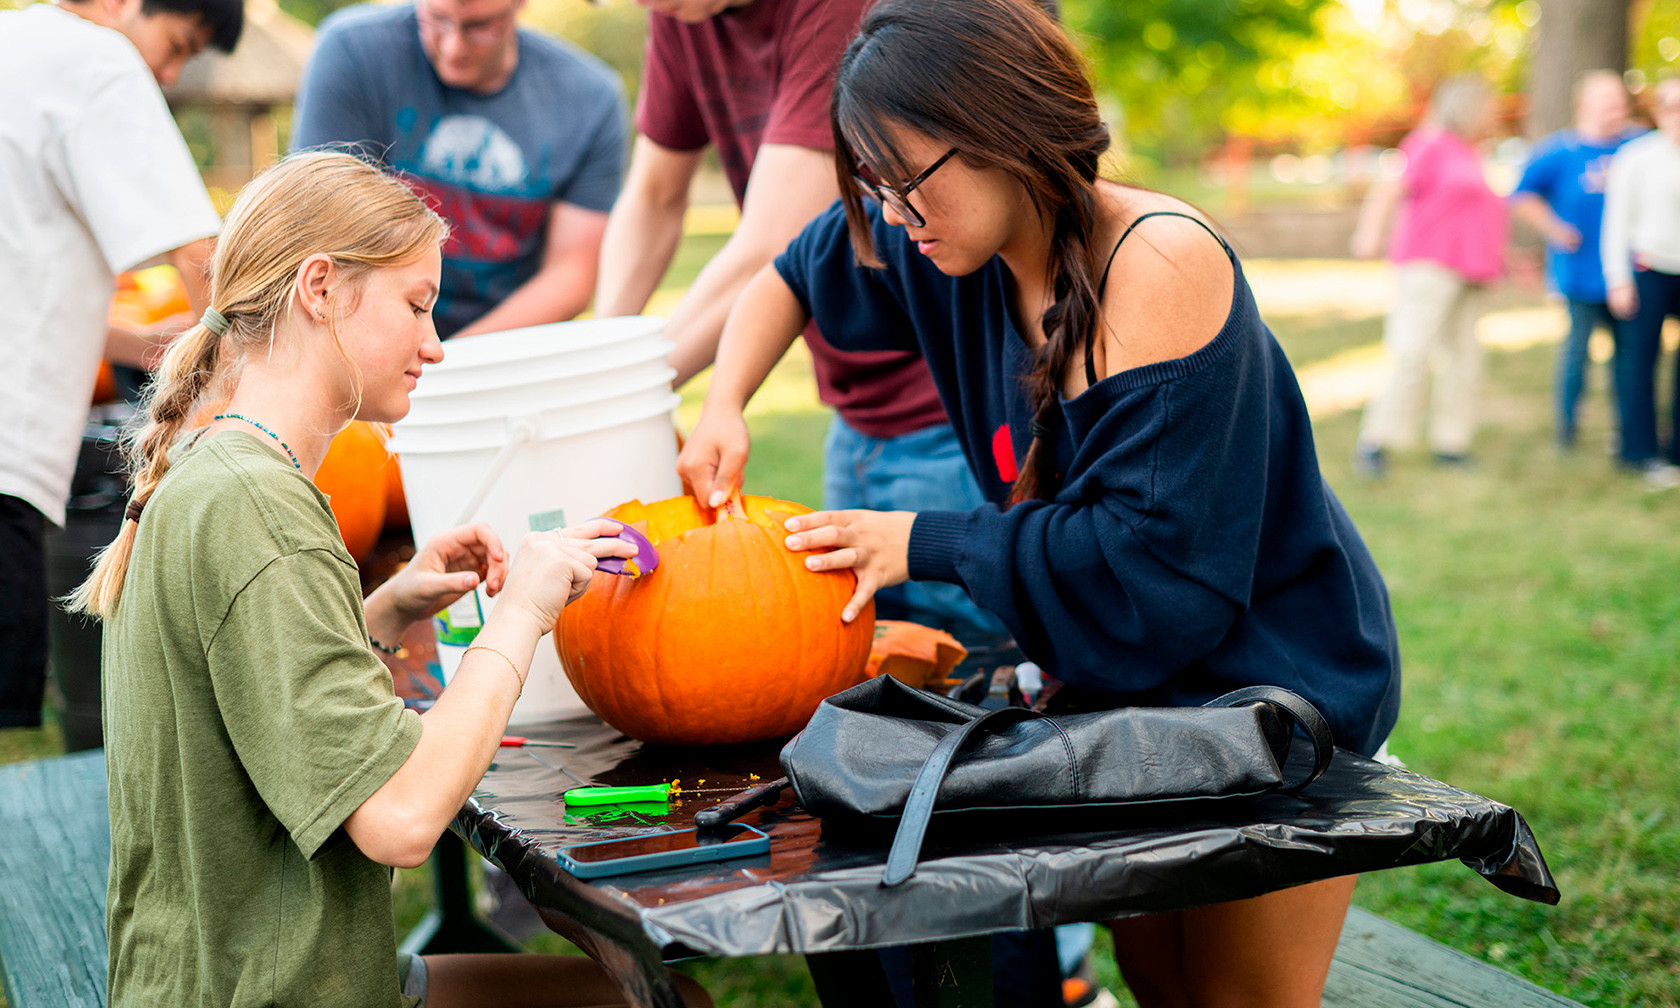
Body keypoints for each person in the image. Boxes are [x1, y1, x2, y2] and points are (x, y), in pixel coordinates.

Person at [677, 1, 1401, 1005]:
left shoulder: (1157, 263)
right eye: (874, 185)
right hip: (1129, 695)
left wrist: (921, 543)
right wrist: (722, 403)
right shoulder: (943, 247)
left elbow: (1156, 572)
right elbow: (788, 277)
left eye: (907, 183)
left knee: (1239, 999)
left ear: (1004, 139)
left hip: (1264, 685)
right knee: (1155, 977)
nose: (891, 215)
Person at [67, 152, 710, 1008]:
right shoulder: (258, 507)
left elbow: (251, 689)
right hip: (268, 990)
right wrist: (520, 614)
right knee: (671, 1005)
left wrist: (381, 611)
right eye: (416, 306)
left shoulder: (216, 469)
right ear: (321, 288)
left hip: (228, 975)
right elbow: (402, 819)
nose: (434, 345)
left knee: (657, 999)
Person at [592, 0, 1012, 660]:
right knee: (873, 650)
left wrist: (611, 394)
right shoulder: (680, 14)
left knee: (978, 660)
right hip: (853, 418)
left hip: (948, 418)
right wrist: (611, 363)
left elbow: (772, 247)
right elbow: (661, 200)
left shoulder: (835, 11)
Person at [0, 0, 242, 731]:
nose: (166, 74)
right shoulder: (101, 59)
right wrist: (240, 414)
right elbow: (207, 262)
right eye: (175, 45)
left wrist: (141, 339)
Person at [291, 0, 626, 339]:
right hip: (370, 335)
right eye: (437, 20)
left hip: (506, 347)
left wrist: (452, 362)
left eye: (481, 27)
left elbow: (570, 273)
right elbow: (320, 232)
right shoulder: (352, 51)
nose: (454, 47)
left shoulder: (590, 100)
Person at [1350, 73, 1508, 478]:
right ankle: (1377, 441)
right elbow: (1389, 189)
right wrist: (1369, 236)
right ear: (1468, 105)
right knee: (1412, 352)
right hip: (1429, 267)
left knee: (1464, 359)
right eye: (1488, 103)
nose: (1494, 111)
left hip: (1471, 272)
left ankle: (1450, 443)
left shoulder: (1470, 151)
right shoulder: (1430, 144)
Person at [1511, 70, 1643, 451]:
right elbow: (1521, 195)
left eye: (1621, 102)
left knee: (1629, 358)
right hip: (1580, 275)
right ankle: (1566, 431)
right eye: (1608, 103)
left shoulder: (1636, 146)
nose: (1616, 110)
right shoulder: (1559, 152)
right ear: (1584, 105)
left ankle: (1627, 430)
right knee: (1576, 355)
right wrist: (1555, 229)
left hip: (1628, 275)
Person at [1601, 77, 1680, 486]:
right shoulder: (1636, 156)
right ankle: (1640, 451)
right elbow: (1616, 222)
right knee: (1640, 362)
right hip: (1648, 269)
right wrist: (1618, 279)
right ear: (1659, 111)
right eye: (1670, 106)